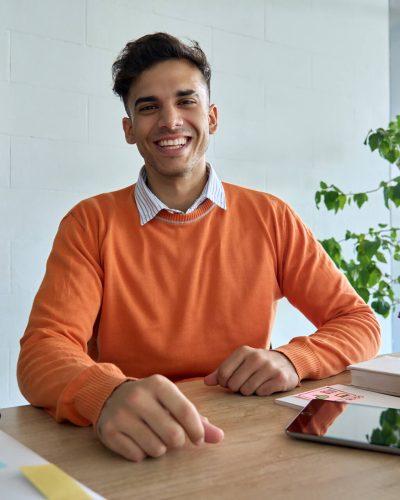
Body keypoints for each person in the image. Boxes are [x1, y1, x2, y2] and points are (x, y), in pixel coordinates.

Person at [17, 32, 380, 462]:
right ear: (129, 129)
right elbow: (43, 350)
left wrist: (293, 359)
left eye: (186, 101)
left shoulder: (271, 216)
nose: (170, 120)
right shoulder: (89, 222)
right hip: (134, 439)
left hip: (248, 441)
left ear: (211, 118)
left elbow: (359, 322)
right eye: (148, 107)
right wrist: (106, 394)